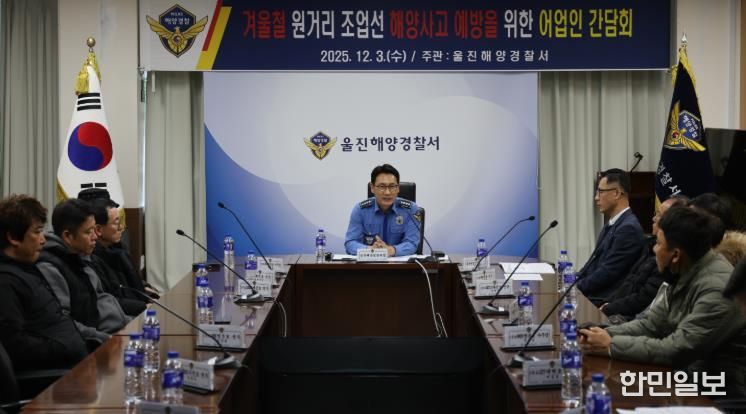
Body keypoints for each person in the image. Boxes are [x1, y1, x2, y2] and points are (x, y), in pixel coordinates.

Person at [579, 206, 746, 397]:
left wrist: (610, 345)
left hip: (722, 390)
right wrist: (600, 333)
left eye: (658, 243)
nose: (654, 249)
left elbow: (677, 349)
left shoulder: (716, 287)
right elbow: (651, 325)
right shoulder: (685, 270)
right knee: (611, 387)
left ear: (676, 255)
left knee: (619, 391)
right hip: (690, 374)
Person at [0, 195, 87, 369]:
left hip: (74, 362)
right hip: (54, 376)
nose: (43, 239)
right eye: (37, 232)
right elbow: (16, 346)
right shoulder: (5, 283)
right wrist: (66, 347)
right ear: (14, 238)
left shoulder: (27, 267)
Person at [36, 199, 130, 343]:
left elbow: (103, 300)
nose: (95, 236)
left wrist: (133, 324)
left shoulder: (82, 257)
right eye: (88, 232)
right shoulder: (50, 267)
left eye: (94, 229)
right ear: (68, 236)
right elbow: (64, 322)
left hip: (116, 333)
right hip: (97, 342)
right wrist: (106, 339)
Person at [599, 195, 688, 322]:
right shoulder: (649, 246)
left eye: (659, 215)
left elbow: (643, 302)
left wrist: (609, 308)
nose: (653, 218)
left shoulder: (667, 262)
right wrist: (606, 303)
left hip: (627, 318)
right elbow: (628, 283)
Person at [577, 168, 645, 304]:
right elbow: (592, 265)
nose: (596, 197)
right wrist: (571, 281)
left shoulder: (628, 229)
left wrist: (575, 287)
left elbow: (607, 273)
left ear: (616, 193)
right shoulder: (613, 223)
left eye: (600, 192)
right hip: (594, 295)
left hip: (604, 301)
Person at [344, 164, 421, 257]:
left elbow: (412, 243)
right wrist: (370, 250)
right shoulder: (360, 210)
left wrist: (390, 250)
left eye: (392, 186)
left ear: (398, 188)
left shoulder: (411, 209)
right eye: (382, 186)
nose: (387, 192)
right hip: (369, 262)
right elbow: (350, 243)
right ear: (372, 188)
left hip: (400, 264)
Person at [88, 197, 147, 316]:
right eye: (116, 223)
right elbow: (110, 301)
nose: (121, 227)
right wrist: (144, 306)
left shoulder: (117, 249)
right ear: (98, 229)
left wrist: (146, 291)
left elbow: (130, 285)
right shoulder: (93, 259)